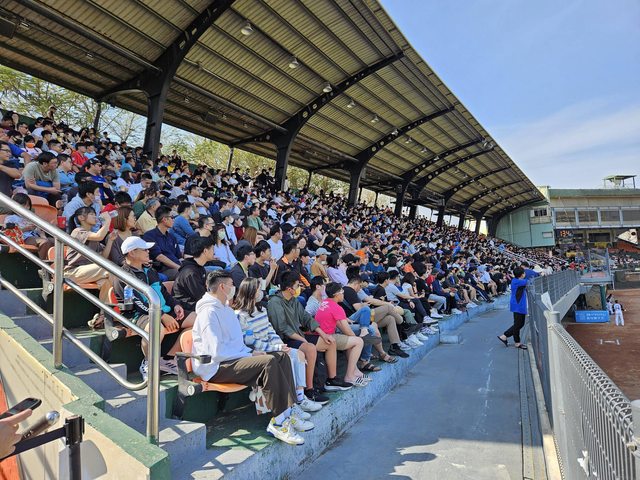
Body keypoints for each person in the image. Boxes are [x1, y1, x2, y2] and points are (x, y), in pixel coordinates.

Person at [191, 270, 309, 445]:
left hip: (233, 360)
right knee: (268, 361)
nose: (234, 288)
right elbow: (215, 352)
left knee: (281, 356)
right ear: (222, 287)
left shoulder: (226, 310)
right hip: (215, 367)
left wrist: (251, 353)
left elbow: (237, 344)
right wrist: (248, 354)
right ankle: (279, 422)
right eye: (232, 285)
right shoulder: (208, 313)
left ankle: (288, 412)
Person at [233, 278, 322, 415]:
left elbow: (271, 331)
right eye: (258, 290)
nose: (261, 292)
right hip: (258, 352)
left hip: (272, 347)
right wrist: (277, 348)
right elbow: (250, 342)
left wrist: (280, 345)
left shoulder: (262, 310)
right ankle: (291, 403)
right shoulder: (240, 315)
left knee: (298, 354)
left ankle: (300, 397)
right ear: (250, 292)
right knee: (288, 358)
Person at [113, 236, 195, 380]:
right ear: (132, 253)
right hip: (138, 315)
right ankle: (148, 363)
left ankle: (168, 358)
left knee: (198, 320)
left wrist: (175, 305)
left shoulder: (150, 271)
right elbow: (137, 303)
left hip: (162, 311)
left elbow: (164, 292)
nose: (148, 252)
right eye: (144, 249)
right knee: (156, 328)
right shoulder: (122, 275)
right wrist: (162, 315)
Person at [267, 271, 349, 403]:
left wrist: (323, 334)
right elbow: (282, 328)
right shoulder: (275, 302)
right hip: (284, 340)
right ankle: (309, 390)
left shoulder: (293, 300)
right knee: (310, 348)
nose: (299, 287)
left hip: (298, 336)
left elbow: (306, 318)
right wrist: (303, 339)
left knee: (330, 341)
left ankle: (331, 380)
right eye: (297, 285)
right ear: (289, 289)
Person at [315, 282, 368, 387]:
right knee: (358, 342)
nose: (343, 294)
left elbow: (339, 324)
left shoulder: (325, 302)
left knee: (351, 341)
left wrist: (351, 337)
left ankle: (355, 371)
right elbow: (346, 329)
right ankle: (349, 376)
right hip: (327, 338)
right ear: (336, 294)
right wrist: (356, 338)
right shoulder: (337, 307)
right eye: (342, 292)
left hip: (320, 336)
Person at [65, 206, 115, 302]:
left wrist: (110, 240)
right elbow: (99, 236)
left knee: (105, 282)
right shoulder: (77, 231)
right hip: (72, 272)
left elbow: (103, 257)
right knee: (108, 268)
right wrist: (107, 221)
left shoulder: (92, 234)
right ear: (81, 217)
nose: (95, 216)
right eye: (91, 214)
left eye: (95, 214)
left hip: (88, 272)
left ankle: (106, 310)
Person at [173, 236, 215, 312]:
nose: (214, 252)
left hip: (195, 303)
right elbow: (201, 296)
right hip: (185, 307)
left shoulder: (199, 267)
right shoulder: (190, 272)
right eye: (212, 249)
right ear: (205, 251)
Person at [143, 206, 182, 280]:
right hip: (162, 270)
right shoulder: (149, 236)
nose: (173, 220)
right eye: (172, 217)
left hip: (177, 266)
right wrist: (179, 268)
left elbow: (179, 257)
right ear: (164, 219)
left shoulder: (172, 237)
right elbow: (159, 257)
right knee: (185, 274)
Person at [497, 267, 528, 349]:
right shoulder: (518, 281)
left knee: (519, 324)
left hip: (518, 305)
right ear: (522, 275)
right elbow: (530, 281)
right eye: (524, 272)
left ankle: (506, 337)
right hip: (518, 305)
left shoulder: (516, 280)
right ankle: (513, 340)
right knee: (518, 324)